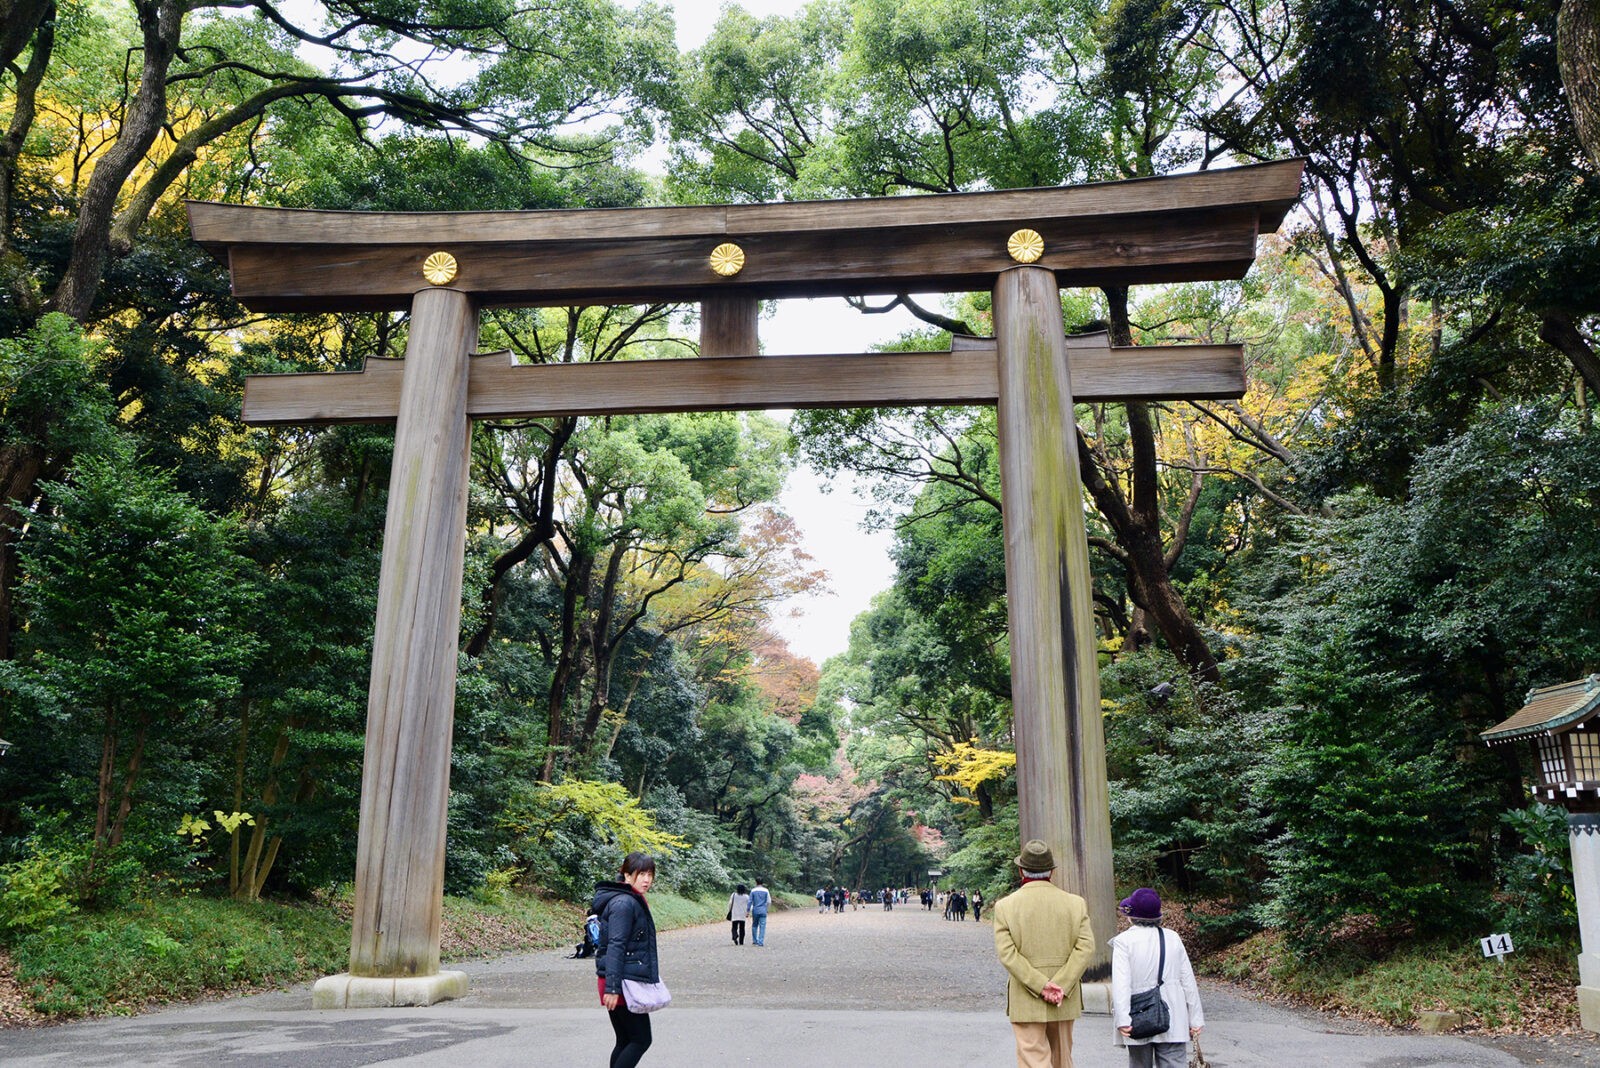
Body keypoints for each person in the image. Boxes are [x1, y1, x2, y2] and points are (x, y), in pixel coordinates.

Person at [992, 839, 1096, 1068]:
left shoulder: (1005, 907)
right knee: (1062, 1060)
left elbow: (1008, 954)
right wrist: (1060, 985)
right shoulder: (1075, 904)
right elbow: (1086, 947)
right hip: (1063, 997)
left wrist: (1041, 985)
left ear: (1021, 870)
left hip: (1026, 997)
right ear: (1052, 871)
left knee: (1033, 1060)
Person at [1111, 888, 1204, 1068]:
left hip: (1138, 1014)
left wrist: (1122, 1018)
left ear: (1132, 915)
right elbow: (1188, 981)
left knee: (1139, 1064)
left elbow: (1121, 983)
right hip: (1173, 1013)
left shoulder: (1124, 941)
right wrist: (1195, 1018)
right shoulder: (1173, 938)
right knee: (1174, 1063)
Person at [592, 852, 662, 1068]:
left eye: (650, 874)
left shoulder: (629, 899)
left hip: (618, 978)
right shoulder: (624, 903)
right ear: (626, 875)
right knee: (641, 1039)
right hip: (621, 982)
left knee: (625, 1039)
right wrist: (612, 988)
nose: (646, 880)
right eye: (641, 874)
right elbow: (616, 944)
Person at [749, 877, 771, 946]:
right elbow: (769, 901)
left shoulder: (753, 891)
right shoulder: (766, 890)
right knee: (762, 926)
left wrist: (748, 910)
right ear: (762, 883)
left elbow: (750, 901)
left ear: (756, 882)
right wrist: (767, 909)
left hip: (755, 910)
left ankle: (755, 940)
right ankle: (761, 941)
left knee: (754, 925)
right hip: (763, 910)